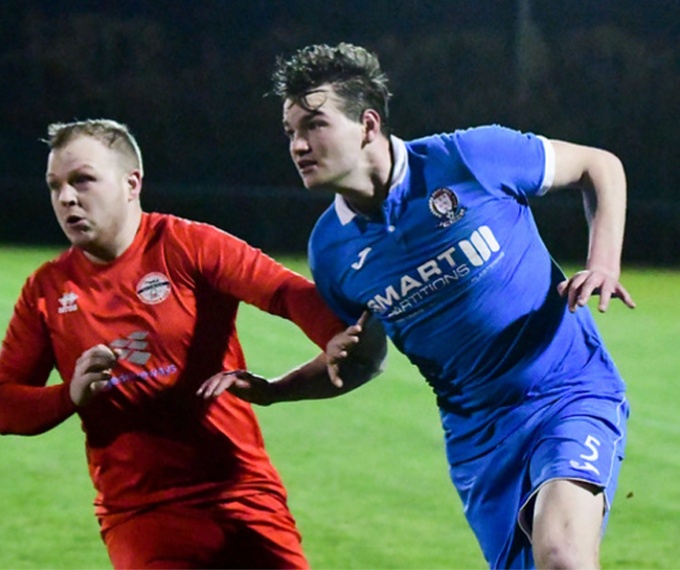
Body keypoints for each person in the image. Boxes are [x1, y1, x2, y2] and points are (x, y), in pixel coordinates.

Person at [204, 43, 636, 569]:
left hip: (568, 389)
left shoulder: (469, 158)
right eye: (290, 131)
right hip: (479, 437)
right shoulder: (332, 252)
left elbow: (599, 165)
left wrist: (604, 263)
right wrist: (275, 391)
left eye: (314, 125)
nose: (298, 145)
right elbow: (362, 359)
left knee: (563, 557)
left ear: (367, 125)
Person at [0, 118, 384, 569]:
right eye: (55, 185)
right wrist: (69, 395)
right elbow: (4, 405)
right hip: (141, 514)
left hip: (241, 492)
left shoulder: (187, 245)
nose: (66, 198)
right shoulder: (46, 290)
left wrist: (333, 335)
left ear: (131, 182)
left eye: (82, 180)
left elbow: (284, 291)